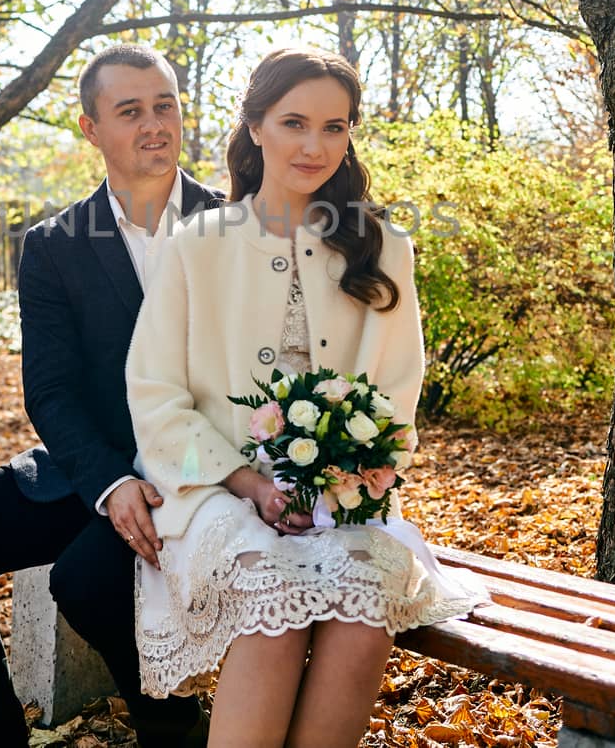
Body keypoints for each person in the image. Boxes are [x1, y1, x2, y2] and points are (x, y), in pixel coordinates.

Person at [126, 47, 480, 747]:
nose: (315, 145)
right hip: (216, 491)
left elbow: (396, 394)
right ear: (255, 126)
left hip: (349, 497)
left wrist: (345, 484)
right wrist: (253, 484)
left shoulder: (383, 247)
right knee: (273, 603)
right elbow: (156, 393)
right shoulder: (198, 244)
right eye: (294, 122)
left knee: (369, 590)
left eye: (335, 127)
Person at [0, 45, 220, 748]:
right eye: (130, 111)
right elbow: (49, 386)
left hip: (201, 476)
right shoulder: (56, 244)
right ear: (91, 128)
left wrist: (169, 475)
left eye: (164, 105)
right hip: (89, 470)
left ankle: (173, 726)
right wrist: (108, 481)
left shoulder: (237, 226)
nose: (154, 124)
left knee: (84, 581)